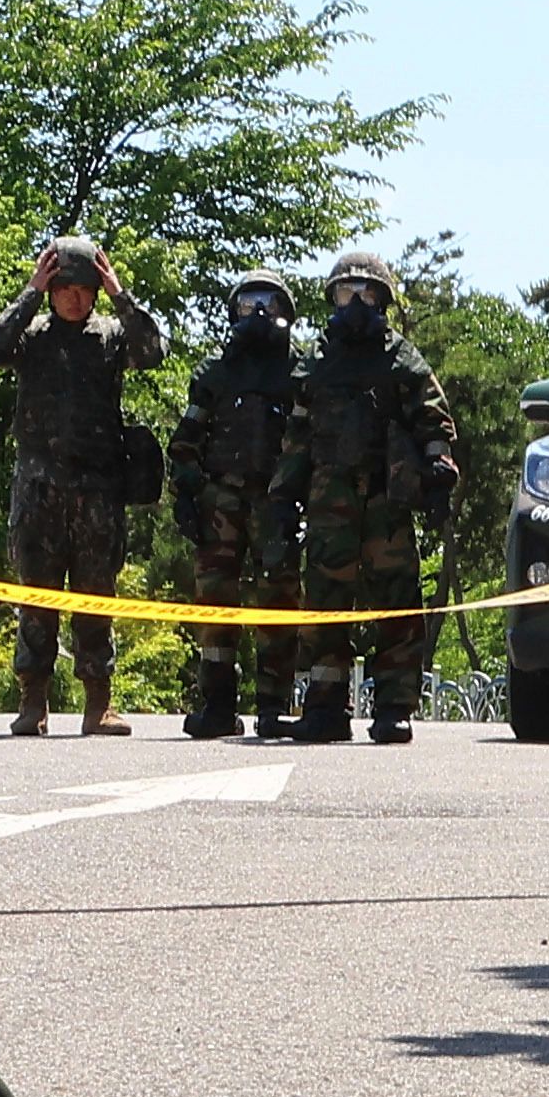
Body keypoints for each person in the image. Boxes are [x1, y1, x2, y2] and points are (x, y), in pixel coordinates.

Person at [0, 235, 166, 737]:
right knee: (35, 597)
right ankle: (33, 701)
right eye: (63, 288)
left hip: (97, 490)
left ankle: (97, 703)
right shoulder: (32, 337)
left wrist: (121, 294)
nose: (73, 298)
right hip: (40, 487)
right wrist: (31, 291)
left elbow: (153, 352)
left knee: (95, 596)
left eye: (83, 288)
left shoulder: (109, 337)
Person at [288, 249, 456, 745]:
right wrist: (283, 500)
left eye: (367, 294)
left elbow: (433, 420)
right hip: (329, 501)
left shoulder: (402, 358)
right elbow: (295, 439)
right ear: (332, 300)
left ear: (382, 301)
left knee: (397, 601)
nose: (356, 303)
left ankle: (394, 706)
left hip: (387, 499)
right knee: (324, 602)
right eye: (346, 293)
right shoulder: (316, 361)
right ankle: (325, 705)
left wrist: (439, 473)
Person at [168, 270, 306, 740]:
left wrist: (302, 501)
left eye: (269, 303)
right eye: (248, 305)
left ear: (287, 312)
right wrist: (186, 494)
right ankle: (217, 704)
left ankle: (273, 706)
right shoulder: (215, 372)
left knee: (279, 602)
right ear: (233, 314)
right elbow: (186, 441)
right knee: (215, 604)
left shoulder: (300, 373)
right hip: (220, 499)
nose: (260, 314)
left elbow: (313, 443)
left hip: (277, 500)